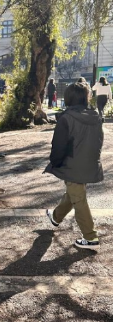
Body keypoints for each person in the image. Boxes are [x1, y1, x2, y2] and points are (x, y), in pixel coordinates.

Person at [45, 82, 103, 251]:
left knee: (78, 198)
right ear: (86, 98)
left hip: (72, 163)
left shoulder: (66, 118)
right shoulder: (95, 116)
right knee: (74, 192)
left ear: (68, 98)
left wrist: (55, 163)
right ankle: (56, 217)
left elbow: (59, 146)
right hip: (91, 162)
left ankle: (90, 237)